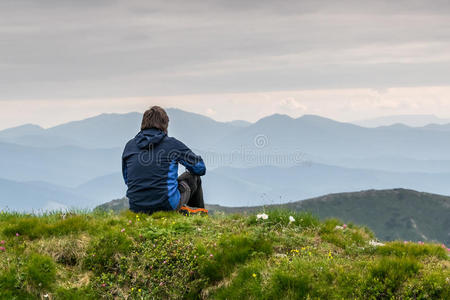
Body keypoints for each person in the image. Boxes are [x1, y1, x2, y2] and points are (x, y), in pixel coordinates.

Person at [122, 106, 207, 214]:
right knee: (193, 177)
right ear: (165, 124)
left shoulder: (129, 146)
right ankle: (199, 216)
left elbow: (127, 179)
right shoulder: (172, 144)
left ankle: (185, 212)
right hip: (166, 204)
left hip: (136, 207)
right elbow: (200, 168)